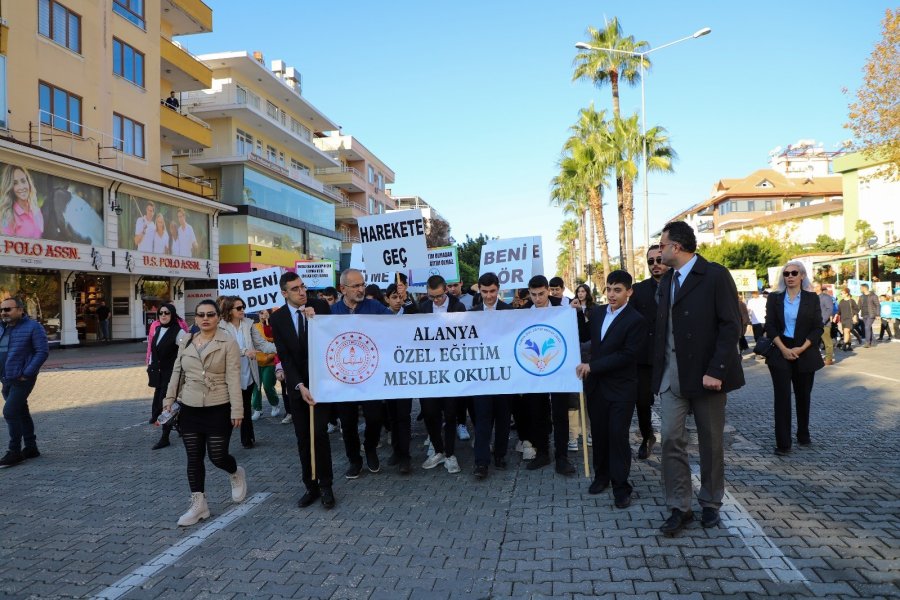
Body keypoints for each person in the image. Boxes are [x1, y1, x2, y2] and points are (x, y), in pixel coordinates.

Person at [652, 221, 744, 535]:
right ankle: (679, 506)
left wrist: (717, 370)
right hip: (671, 377)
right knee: (670, 441)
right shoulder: (665, 283)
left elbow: (731, 326)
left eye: (662, 246)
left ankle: (710, 503)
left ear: (676, 246)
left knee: (711, 443)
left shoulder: (715, 275)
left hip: (707, 377)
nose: (658, 252)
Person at [163, 299, 247, 526]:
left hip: (219, 405)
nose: (205, 318)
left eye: (210, 314)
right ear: (195, 318)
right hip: (190, 407)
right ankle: (199, 505)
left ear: (219, 317)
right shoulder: (186, 340)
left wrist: (237, 410)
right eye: (201, 315)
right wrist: (169, 399)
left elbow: (233, 378)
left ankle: (235, 472)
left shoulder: (228, 343)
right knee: (194, 457)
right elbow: (177, 372)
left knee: (217, 456)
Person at [576, 270, 647, 508]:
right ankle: (601, 476)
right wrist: (573, 313)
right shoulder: (596, 313)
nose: (612, 294)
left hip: (621, 389)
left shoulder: (636, 320)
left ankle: (621, 485)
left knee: (617, 436)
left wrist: (592, 366)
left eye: (617, 290)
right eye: (608, 289)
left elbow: (626, 356)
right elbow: (584, 335)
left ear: (629, 292)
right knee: (600, 435)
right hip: (597, 388)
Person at [268, 272, 335, 509]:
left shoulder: (319, 307)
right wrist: (298, 385)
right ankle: (311, 485)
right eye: (295, 289)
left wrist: (315, 322)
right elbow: (285, 356)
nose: (302, 292)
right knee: (303, 438)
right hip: (298, 387)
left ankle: (326, 485)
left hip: (320, 383)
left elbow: (330, 340)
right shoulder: (278, 319)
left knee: (319, 434)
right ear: (284, 293)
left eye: (303, 287)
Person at [331, 269, 392, 478]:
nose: (361, 289)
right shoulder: (332, 312)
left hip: (370, 377)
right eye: (355, 286)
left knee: (374, 418)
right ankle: (354, 460)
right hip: (344, 379)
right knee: (347, 423)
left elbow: (396, 325)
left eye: (362, 285)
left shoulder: (374, 307)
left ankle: (371, 447)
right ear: (343, 289)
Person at [764, 262, 824, 456]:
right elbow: (770, 326)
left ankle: (803, 433)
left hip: (804, 351)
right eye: (786, 273)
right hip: (780, 351)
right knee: (781, 398)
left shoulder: (811, 298)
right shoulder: (774, 298)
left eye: (794, 273)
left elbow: (818, 328)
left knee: (803, 395)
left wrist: (802, 347)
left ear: (802, 276)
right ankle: (783, 443)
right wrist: (782, 348)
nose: (789, 276)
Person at [521, 275, 577, 476]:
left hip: (559, 369)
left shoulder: (563, 307)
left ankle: (562, 457)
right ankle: (542, 452)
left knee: (560, 413)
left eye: (541, 294)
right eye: (533, 295)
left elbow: (579, 332)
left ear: (548, 290)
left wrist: (577, 313)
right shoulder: (523, 312)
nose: (538, 298)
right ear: (529, 292)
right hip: (534, 371)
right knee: (537, 413)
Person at [417, 274, 466, 474]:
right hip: (429, 370)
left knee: (451, 413)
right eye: (431, 296)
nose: (435, 300)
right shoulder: (423, 308)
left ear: (446, 290)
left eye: (438, 296)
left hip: (452, 370)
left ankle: (451, 454)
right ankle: (438, 450)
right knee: (429, 412)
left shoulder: (458, 307)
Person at [218, 296, 276, 449]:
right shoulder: (220, 327)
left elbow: (262, 345)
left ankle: (248, 438)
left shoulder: (249, 325)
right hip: (230, 375)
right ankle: (222, 444)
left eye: (243, 306)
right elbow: (224, 348)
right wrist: (244, 351)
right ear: (229, 310)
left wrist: (282, 347)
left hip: (248, 373)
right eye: (238, 308)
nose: (242, 310)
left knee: (245, 406)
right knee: (230, 410)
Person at [469, 272, 513, 479]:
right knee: (483, 419)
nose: (488, 296)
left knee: (503, 418)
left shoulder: (510, 310)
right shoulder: (472, 313)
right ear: (479, 289)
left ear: (499, 289)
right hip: (481, 378)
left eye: (492, 291)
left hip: (503, 376)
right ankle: (481, 462)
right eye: (484, 291)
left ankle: (500, 455)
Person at [630, 244, 669, 459]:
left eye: (659, 260)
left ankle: (674, 441)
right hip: (644, 357)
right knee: (642, 401)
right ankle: (647, 437)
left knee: (675, 400)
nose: (655, 264)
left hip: (672, 356)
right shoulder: (639, 289)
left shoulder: (679, 284)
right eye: (651, 261)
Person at [0, 297, 49, 467]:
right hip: (6, 378)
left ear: (20, 310)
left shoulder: (33, 327)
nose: (3, 313)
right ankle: (31, 448)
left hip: (22, 379)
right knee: (21, 412)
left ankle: (14, 452)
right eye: (1, 310)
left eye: (8, 309)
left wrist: (27, 373)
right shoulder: (3, 328)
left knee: (10, 412)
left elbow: (42, 352)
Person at [384, 283, 415, 474]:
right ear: (387, 299)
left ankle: (405, 456)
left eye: (399, 297)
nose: (397, 301)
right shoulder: (380, 316)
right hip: (387, 374)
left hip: (406, 374)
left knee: (403, 416)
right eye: (393, 297)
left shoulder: (410, 313)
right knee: (392, 416)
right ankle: (396, 450)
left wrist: (407, 297)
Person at [148, 303, 185, 450]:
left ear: (173, 315)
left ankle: (165, 437)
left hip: (172, 374)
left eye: (167, 313)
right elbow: (153, 351)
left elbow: (185, 353)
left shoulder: (179, 332)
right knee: (162, 402)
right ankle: (182, 427)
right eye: (161, 313)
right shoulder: (157, 329)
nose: (163, 315)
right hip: (159, 374)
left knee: (166, 404)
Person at [568, 283, 595, 451]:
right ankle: (573, 435)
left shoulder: (595, 309)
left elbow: (587, 334)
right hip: (572, 358)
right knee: (573, 400)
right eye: (579, 291)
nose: (581, 293)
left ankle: (590, 432)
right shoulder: (568, 308)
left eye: (583, 291)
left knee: (589, 398)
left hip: (588, 358)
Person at [250, 309, 282, 421]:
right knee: (256, 387)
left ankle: (275, 404)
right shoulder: (254, 326)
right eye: (260, 313)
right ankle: (257, 409)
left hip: (270, 361)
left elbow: (275, 341)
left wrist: (268, 323)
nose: (262, 315)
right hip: (256, 361)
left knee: (268, 385)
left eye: (265, 313)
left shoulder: (274, 326)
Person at [0, 165, 44, 239]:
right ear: (10, 187)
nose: (21, 187)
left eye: (23, 181)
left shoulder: (36, 210)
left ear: (28, 182)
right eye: (15, 183)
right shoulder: (6, 216)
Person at [813, 283, 836, 365]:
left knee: (827, 342)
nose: (813, 288)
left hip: (824, 324)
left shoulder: (826, 297)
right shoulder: (812, 297)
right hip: (814, 324)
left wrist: (822, 321)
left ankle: (829, 359)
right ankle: (816, 358)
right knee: (814, 342)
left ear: (819, 287)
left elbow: (829, 309)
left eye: (815, 286)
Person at [858, 284, 880, 348]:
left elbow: (878, 305)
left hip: (871, 314)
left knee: (867, 327)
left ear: (865, 288)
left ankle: (867, 342)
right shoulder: (861, 297)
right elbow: (858, 306)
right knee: (869, 327)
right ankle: (873, 341)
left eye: (861, 288)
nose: (860, 289)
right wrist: (854, 313)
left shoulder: (873, 296)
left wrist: (878, 314)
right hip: (864, 314)